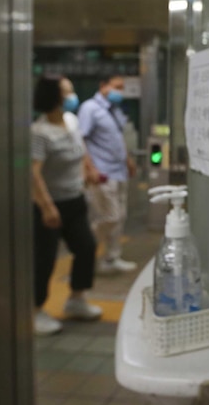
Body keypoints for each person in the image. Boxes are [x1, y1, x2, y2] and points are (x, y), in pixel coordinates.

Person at [32, 75, 103, 336]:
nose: (72, 95)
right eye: (67, 91)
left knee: (86, 247)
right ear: (55, 97)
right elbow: (33, 174)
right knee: (44, 260)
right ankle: (35, 310)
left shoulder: (71, 121)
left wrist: (90, 169)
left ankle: (76, 299)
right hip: (49, 205)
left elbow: (81, 148)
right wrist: (47, 207)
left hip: (75, 200)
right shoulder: (39, 133)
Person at [78, 75, 139, 274]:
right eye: (116, 87)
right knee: (110, 216)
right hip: (102, 172)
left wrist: (128, 160)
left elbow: (117, 138)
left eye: (122, 87)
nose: (119, 91)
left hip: (119, 170)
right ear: (103, 85)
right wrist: (90, 168)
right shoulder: (90, 109)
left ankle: (112, 258)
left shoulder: (113, 110)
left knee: (120, 216)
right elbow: (81, 140)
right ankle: (87, 241)